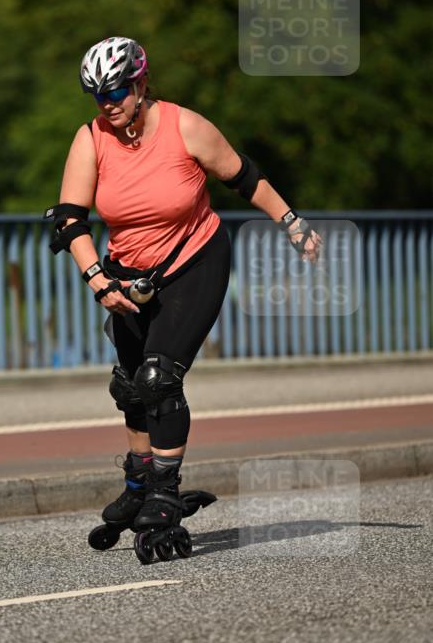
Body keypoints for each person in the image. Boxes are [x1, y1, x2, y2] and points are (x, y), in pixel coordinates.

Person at [46, 36, 321, 550]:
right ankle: (139, 483)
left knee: (158, 377)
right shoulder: (91, 138)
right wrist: (97, 280)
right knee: (128, 387)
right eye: (98, 94)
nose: (109, 103)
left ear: (142, 82)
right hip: (127, 275)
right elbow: (68, 221)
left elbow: (245, 177)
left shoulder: (184, 126)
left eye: (118, 90)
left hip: (195, 261)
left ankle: (165, 497)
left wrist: (291, 222)